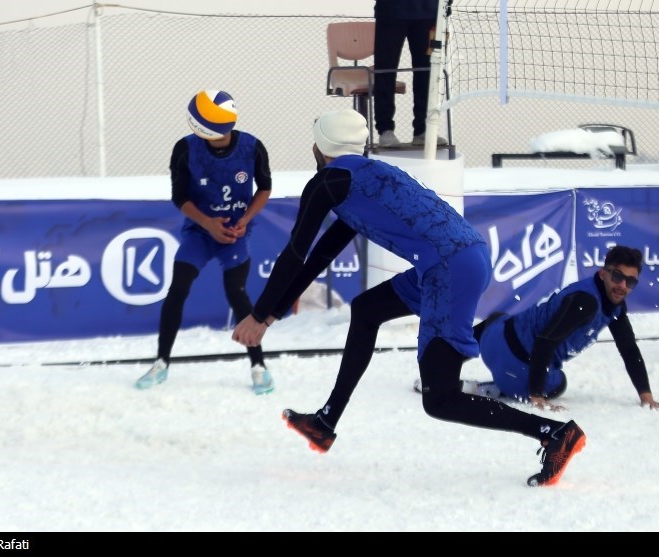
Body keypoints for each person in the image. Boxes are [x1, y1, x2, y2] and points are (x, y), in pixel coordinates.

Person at [232, 108, 586, 486]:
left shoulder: (326, 182)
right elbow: (321, 255)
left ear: (319, 147)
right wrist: (270, 316)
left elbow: (295, 255)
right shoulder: (370, 173)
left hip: (446, 269)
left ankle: (553, 434)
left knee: (440, 398)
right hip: (463, 257)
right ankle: (326, 421)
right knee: (367, 310)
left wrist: (258, 314)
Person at [136, 89, 275, 395]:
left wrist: (245, 219)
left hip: (235, 232)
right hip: (200, 231)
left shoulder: (251, 147)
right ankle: (161, 362)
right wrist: (208, 223)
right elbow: (180, 197)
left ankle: (259, 366)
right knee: (178, 288)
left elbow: (264, 188)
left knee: (237, 293)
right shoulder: (185, 149)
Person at [440, 245, 658, 411]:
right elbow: (546, 341)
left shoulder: (612, 305)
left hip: (493, 341)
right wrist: (537, 395)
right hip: (516, 369)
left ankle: (442, 364)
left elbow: (629, 350)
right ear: (603, 274)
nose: (622, 286)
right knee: (558, 383)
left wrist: (645, 395)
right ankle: (499, 388)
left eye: (630, 282)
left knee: (498, 318)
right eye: (618, 277)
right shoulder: (587, 302)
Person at [373, 0, 447, 147]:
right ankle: (385, 130)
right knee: (385, 72)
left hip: (429, 13)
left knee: (426, 73)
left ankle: (423, 130)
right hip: (391, 11)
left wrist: (444, 6)